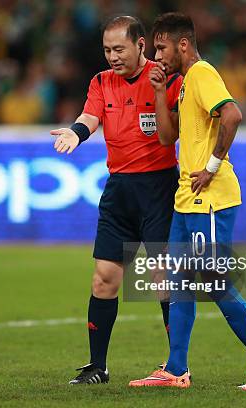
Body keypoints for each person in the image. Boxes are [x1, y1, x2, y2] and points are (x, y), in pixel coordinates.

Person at [128, 12, 246, 390]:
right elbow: (168, 139)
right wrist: (156, 91)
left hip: (209, 197)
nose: (157, 56)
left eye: (161, 48)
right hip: (188, 198)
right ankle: (176, 369)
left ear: (182, 44)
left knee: (215, 283)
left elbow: (232, 115)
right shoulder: (183, 83)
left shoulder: (202, 74)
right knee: (179, 281)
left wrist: (212, 167)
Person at [50, 15, 182, 385]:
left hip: (159, 190)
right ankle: (98, 366)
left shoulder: (164, 77)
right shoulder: (101, 81)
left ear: (140, 46)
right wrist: (77, 133)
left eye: (119, 49)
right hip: (119, 191)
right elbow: (90, 116)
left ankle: (177, 366)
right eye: (107, 50)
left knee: (163, 279)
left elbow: (175, 128)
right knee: (103, 279)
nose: (112, 56)